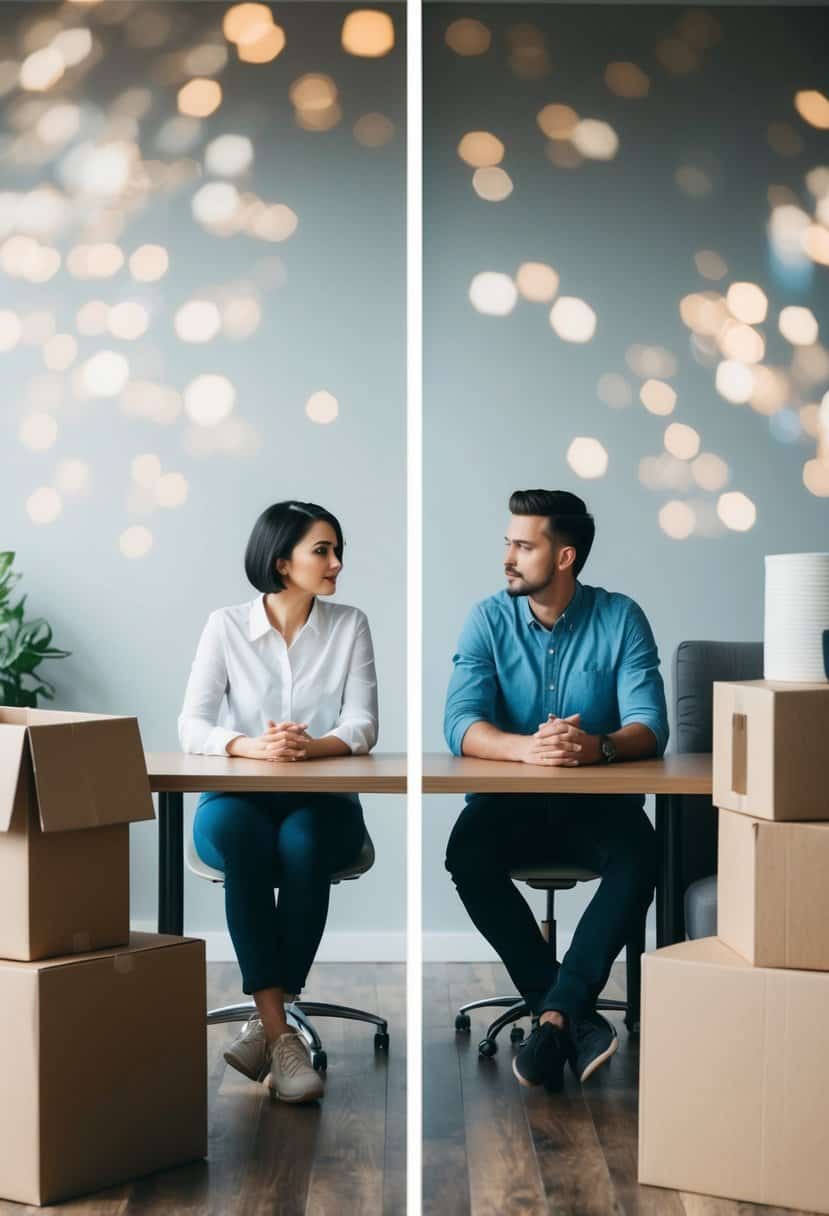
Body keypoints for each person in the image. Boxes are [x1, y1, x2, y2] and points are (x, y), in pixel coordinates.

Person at [443, 489, 668, 1093]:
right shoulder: (487, 618)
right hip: (507, 805)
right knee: (466, 854)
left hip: (596, 804)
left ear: (564, 557)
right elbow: (460, 722)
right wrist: (528, 747)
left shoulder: (620, 616)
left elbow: (651, 725)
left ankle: (554, 1012)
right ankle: (568, 1014)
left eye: (523, 545)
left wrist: (594, 747)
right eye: (508, 543)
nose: (507, 558)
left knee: (642, 854)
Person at [178, 500, 378, 1104]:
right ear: (280, 561)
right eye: (323, 550)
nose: (337, 562)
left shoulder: (350, 624)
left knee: (302, 842)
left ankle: (267, 1028)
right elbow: (191, 724)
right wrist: (251, 747)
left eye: (337, 549)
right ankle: (278, 1032)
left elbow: (364, 724)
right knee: (242, 839)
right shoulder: (225, 626)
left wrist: (306, 748)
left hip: (321, 801)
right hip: (238, 797)